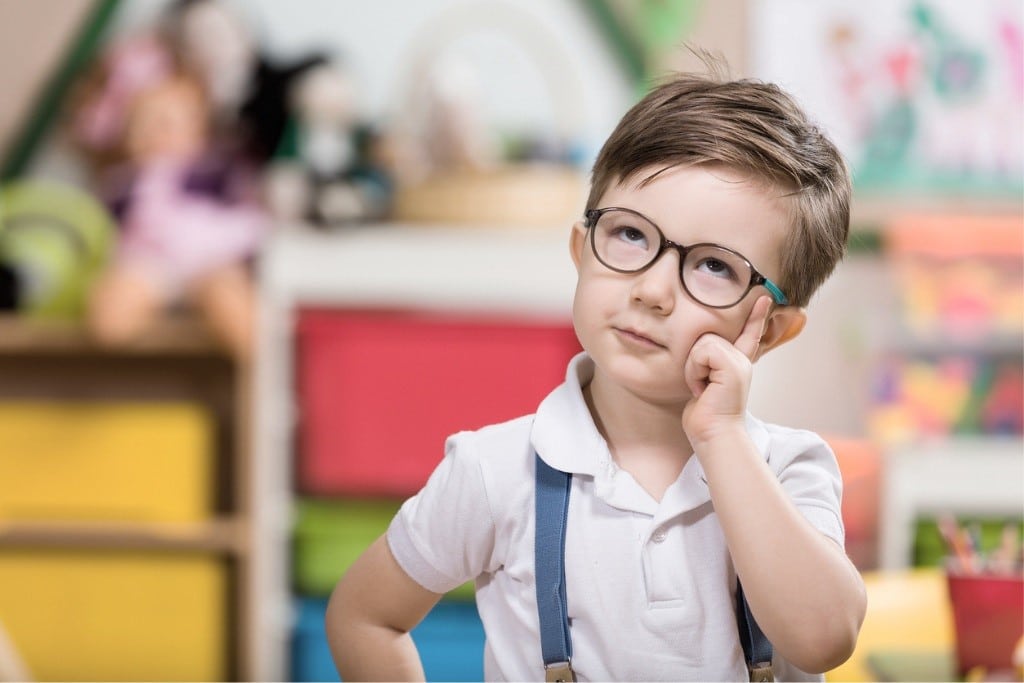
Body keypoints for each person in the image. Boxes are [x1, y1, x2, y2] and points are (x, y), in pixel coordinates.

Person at [325, 60, 867, 681]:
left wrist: (721, 436)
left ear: (768, 329)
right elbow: (364, 616)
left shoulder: (789, 470)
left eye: (715, 267)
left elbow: (825, 637)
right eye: (631, 234)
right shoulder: (495, 472)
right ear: (582, 252)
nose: (654, 290)